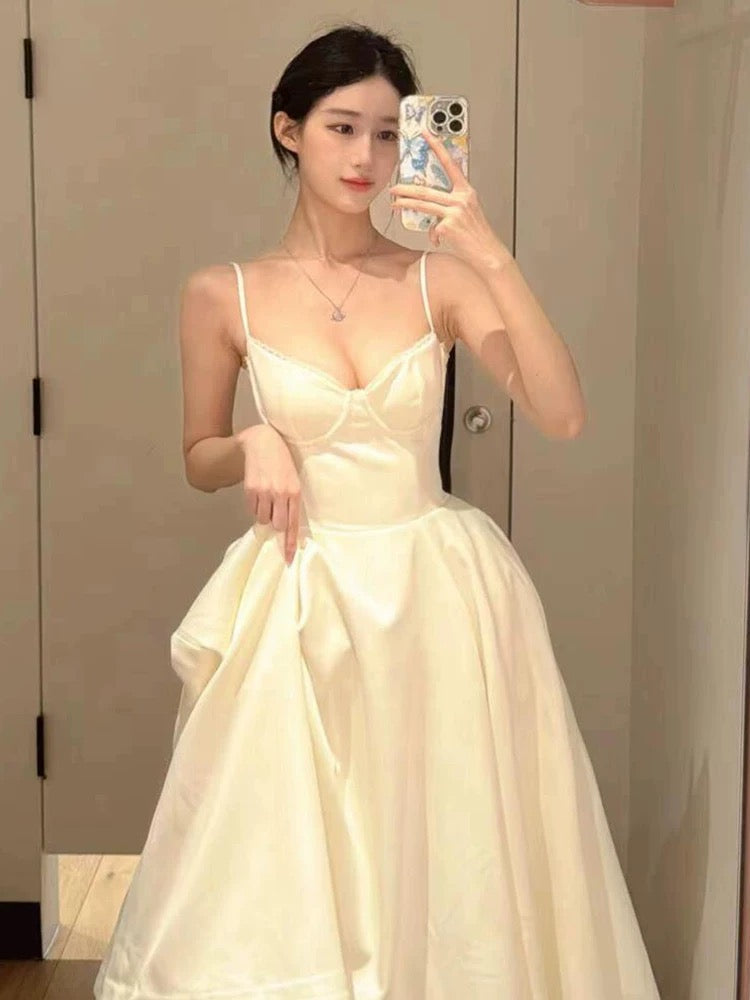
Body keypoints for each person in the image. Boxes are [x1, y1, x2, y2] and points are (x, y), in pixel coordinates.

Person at [94, 21, 661, 1000]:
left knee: (448, 849)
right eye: (342, 128)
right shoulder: (223, 294)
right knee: (289, 858)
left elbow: (563, 412)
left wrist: (483, 248)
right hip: (301, 592)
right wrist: (253, 442)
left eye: (390, 134)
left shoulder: (439, 279)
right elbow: (198, 456)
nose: (367, 156)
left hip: (438, 594)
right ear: (288, 130)